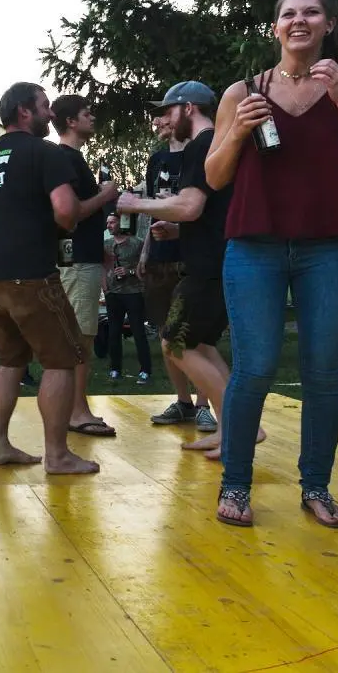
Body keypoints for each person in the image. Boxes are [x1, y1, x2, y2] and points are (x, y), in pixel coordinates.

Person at [204, 0, 338, 528]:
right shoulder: (243, 90)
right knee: (254, 367)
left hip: (328, 248)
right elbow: (215, 177)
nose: (299, 20)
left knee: (326, 372)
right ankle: (235, 486)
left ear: (329, 24)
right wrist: (238, 130)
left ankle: (317, 487)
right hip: (254, 247)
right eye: (289, 13)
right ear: (275, 27)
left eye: (311, 12)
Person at [117, 81, 256, 463]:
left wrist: (135, 204)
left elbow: (191, 206)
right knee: (201, 345)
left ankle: (240, 429)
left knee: (175, 344)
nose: (162, 118)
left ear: (189, 108)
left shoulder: (201, 145)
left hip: (208, 267)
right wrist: (179, 229)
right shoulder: (219, 143)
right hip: (216, 259)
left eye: (167, 110)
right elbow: (211, 212)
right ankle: (237, 428)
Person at [0, 82, 97, 475]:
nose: (51, 114)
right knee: (61, 361)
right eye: (44, 107)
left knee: (10, 363)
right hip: (31, 276)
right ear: (25, 111)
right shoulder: (44, 153)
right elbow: (65, 211)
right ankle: (58, 455)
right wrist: (100, 200)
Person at [50, 95, 120, 437]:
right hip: (76, 263)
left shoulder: (70, 159)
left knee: (80, 335)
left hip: (81, 258)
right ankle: (77, 412)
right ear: (71, 122)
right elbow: (71, 212)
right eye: (86, 113)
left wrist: (99, 251)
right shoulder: (66, 159)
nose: (93, 117)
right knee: (81, 338)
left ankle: (75, 407)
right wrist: (106, 196)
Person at [142, 112, 215, 431]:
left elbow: (204, 209)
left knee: (195, 335)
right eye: (154, 119)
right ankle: (183, 402)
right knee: (165, 333)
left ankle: (204, 405)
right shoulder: (156, 159)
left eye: (162, 116)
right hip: (160, 258)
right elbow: (153, 204)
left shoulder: (200, 151)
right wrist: (145, 249)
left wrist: (181, 229)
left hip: (192, 256)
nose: (157, 123)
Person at [103, 215, 152, 383]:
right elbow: (103, 267)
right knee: (113, 333)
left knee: (138, 332)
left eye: (113, 222)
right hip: (113, 294)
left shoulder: (136, 243)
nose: (109, 225)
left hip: (133, 292)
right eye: (108, 222)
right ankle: (115, 370)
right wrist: (105, 287)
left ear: (121, 223)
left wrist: (129, 271)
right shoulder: (106, 245)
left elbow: (146, 268)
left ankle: (145, 370)